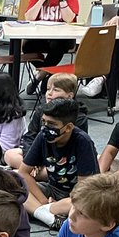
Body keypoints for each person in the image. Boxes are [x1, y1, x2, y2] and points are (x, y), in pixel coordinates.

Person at [19, 97, 98, 229]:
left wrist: (57, 204)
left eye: (51, 124)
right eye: (43, 122)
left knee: (88, 205)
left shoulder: (83, 141)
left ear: (68, 127)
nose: (45, 128)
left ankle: (40, 211)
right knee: (13, 185)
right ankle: (48, 217)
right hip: (52, 190)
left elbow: (85, 187)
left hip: (76, 196)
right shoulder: (42, 137)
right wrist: (44, 202)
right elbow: (23, 172)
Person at [4, 74, 80, 171]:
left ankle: (35, 173)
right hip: (40, 155)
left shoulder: (78, 117)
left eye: (56, 90)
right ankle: (36, 172)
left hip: (62, 159)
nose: (49, 93)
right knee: (10, 154)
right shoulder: (41, 110)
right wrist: (31, 159)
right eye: (48, 89)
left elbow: (75, 146)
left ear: (69, 96)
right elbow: (30, 136)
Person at [21, 0, 80, 81]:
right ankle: (47, 75)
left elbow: (69, 18)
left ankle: (41, 76)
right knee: (27, 47)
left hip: (64, 38)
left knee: (57, 45)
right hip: (42, 36)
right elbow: (29, 17)